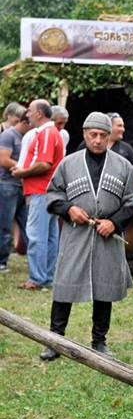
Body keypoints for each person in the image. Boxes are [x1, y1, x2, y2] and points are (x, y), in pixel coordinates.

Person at [38, 113, 133, 360]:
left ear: (109, 137)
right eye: (93, 135)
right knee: (64, 285)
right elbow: (53, 195)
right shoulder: (68, 164)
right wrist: (69, 209)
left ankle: (99, 341)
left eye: (103, 135)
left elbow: (132, 201)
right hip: (76, 234)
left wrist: (114, 223)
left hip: (107, 234)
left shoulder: (122, 165)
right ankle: (55, 341)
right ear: (85, 134)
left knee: (105, 287)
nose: (97, 140)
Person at [11, 99, 65, 290]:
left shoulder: (46, 133)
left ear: (39, 114)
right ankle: (47, 277)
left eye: (30, 111)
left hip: (41, 191)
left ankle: (37, 278)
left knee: (36, 235)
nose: (27, 114)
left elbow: (44, 164)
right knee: (49, 236)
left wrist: (22, 172)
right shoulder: (51, 132)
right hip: (48, 192)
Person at [0, 111, 30, 273]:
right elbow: (3, 159)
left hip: (21, 186)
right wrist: (25, 168)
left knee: (28, 225)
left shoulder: (25, 137)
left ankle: (33, 261)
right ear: (25, 123)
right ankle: (2, 262)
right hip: (7, 185)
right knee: (4, 226)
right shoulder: (8, 135)